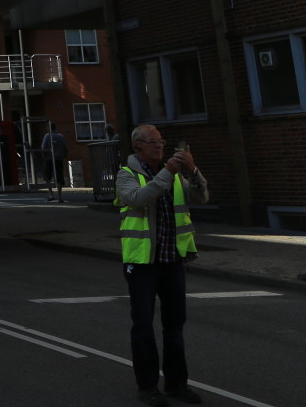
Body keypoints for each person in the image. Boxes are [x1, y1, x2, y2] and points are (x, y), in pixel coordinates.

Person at [116, 124, 209, 406]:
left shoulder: (176, 175)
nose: (159, 146)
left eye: (161, 141)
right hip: (142, 264)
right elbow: (138, 199)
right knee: (143, 327)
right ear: (137, 146)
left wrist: (192, 171)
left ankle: (177, 384)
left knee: (174, 326)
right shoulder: (126, 174)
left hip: (172, 261)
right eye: (152, 142)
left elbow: (201, 197)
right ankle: (147, 387)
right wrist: (168, 172)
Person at [41, 124, 69, 199]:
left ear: (48, 128)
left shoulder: (47, 136)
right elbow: (66, 148)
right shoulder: (61, 136)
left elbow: (43, 148)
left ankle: (51, 194)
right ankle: (60, 196)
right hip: (59, 159)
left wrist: (45, 156)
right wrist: (63, 156)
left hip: (49, 159)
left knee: (48, 177)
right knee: (59, 177)